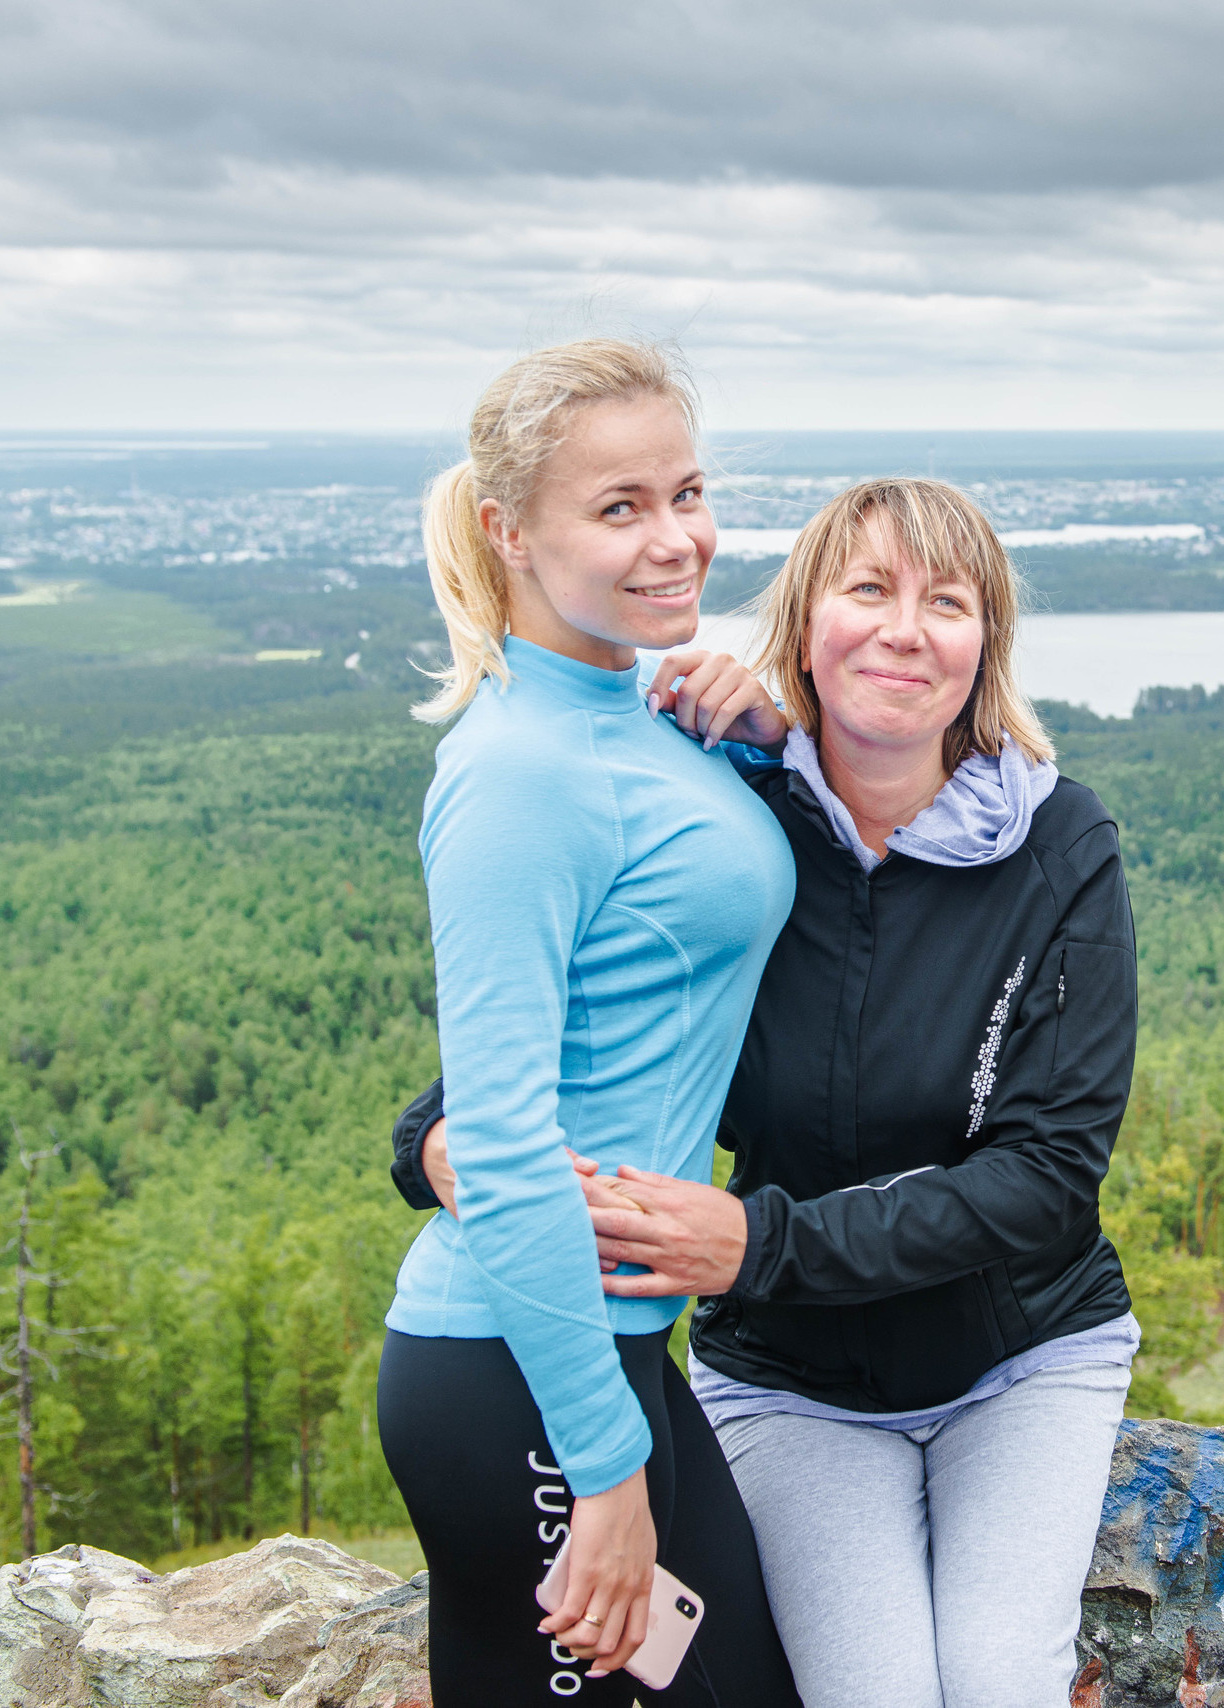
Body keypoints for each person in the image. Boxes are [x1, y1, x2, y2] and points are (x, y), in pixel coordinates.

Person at [395, 477, 1142, 1708]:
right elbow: (558, 1054)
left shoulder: (1059, 846)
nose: (905, 630)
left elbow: (1048, 1182)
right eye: (867, 590)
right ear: (803, 628)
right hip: (794, 1382)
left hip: (1021, 1361)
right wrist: (432, 1138)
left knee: (1001, 1683)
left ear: (983, 647)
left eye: (946, 602)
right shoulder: (740, 827)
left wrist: (754, 1240)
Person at [373, 339, 803, 1707]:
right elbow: (496, 1141)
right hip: (528, 1374)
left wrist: (763, 741)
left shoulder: (630, 715)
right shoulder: (517, 771)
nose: (678, 539)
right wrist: (604, 1473)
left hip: (604, 1355)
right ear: (510, 530)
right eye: (621, 507)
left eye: (687, 491)